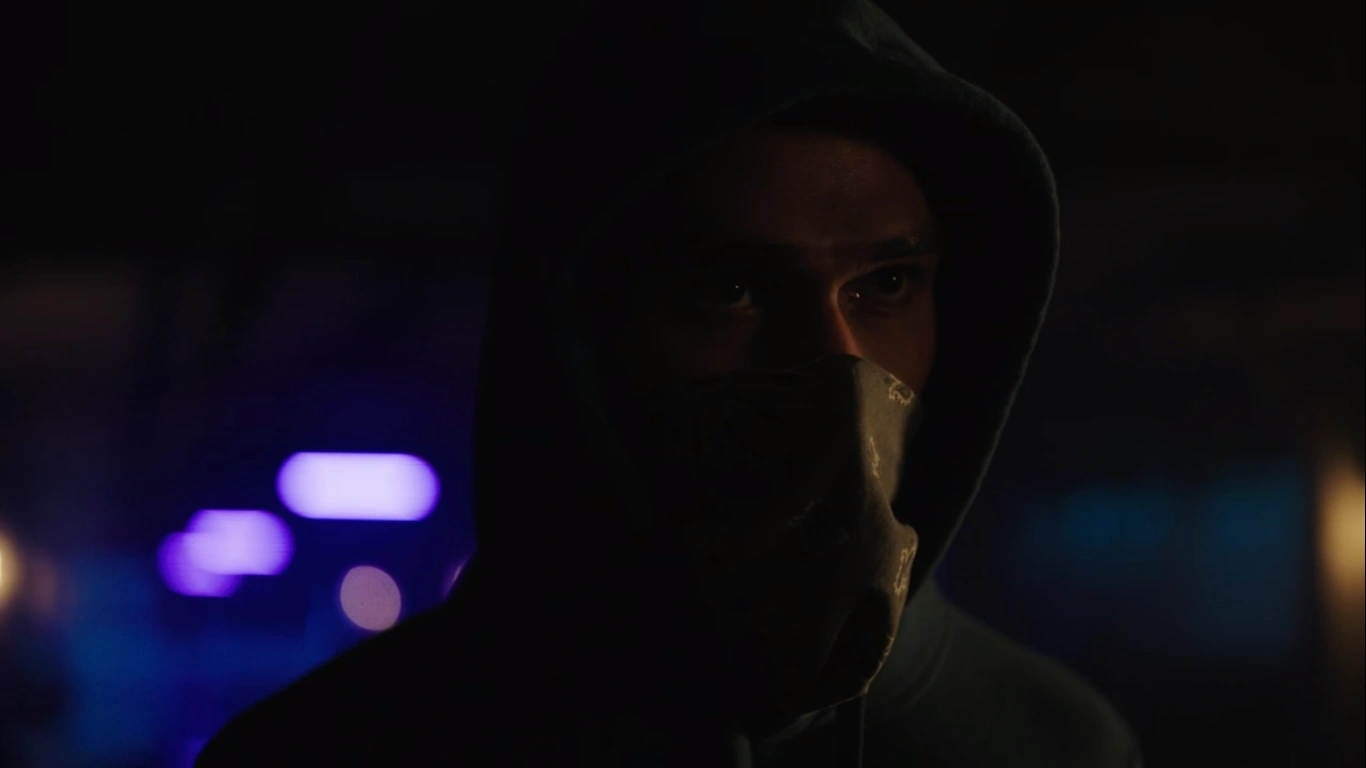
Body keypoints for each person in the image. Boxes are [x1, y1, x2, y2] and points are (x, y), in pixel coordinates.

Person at [198, 1, 1142, 765]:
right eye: (733, 289)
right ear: (577, 335)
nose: (836, 359)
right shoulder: (333, 750)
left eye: (887, 285)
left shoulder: (1052, 747)